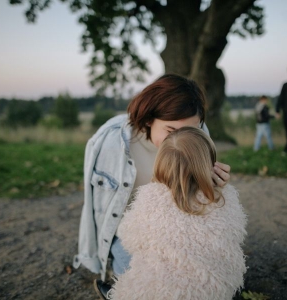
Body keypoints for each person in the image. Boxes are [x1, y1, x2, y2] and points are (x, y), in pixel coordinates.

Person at [71, 74, 232, 299]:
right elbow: (95, 207)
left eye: (191, 131)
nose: (184, 140)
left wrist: (214, 185)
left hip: (180, 231)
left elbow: (202, 204)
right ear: (148, 120)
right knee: (145, 282)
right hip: (132, 233)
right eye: (171, 130)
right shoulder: (111, 142)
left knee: (202, 281)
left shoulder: (201, 135)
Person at [109, 126, 247, 300]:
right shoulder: (223, 196)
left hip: (157, 293)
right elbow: (236, 235)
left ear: (161, 162)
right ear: (210, 163)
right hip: (213, 291)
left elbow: (129, 239)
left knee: (120, 249)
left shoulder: (151, 195)